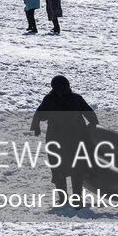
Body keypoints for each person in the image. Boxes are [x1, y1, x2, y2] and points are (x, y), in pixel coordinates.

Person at [30, 75, 98, 203]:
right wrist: (93, 129)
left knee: (58, 168)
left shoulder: (49, 99)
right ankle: (77, 198)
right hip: (76, 138)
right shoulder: (76, 99)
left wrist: (36, 127)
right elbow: (91, 117)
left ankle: (62, 198)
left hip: (55, 139)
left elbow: (40, 115)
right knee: (77, 169)